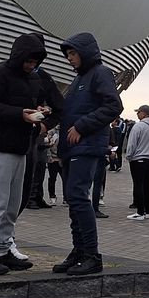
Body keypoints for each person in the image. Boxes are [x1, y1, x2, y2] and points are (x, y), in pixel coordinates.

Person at [0, 33, 61, 276]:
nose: (31, 66)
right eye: (28, 61)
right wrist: (20, 114)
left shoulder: (31, 79)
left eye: (35, 62)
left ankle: (2, 248)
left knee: (12, 202)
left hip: (20, 146)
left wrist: (37, 115)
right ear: (18, 56)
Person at [49, 33, 123, 275]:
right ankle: (79, 251)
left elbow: (113, 105)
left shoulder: (101, 73)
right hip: (73, 148)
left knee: (78, 197)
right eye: (67, 54)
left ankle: (92, 254)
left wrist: (82, 126)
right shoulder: (80, 79)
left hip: (87, 145)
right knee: (73, 198)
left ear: (85, 52)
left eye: (73, 53)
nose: (70, 58)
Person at [125, 105, 149, 220]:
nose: (137, 114)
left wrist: (129, 156)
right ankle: (147, 211)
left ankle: (140, 212)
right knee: (147, 185)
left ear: (144, 113)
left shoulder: (139, 126)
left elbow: (132, 143)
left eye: (138, 112)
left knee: (138, 184)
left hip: (138, 158)